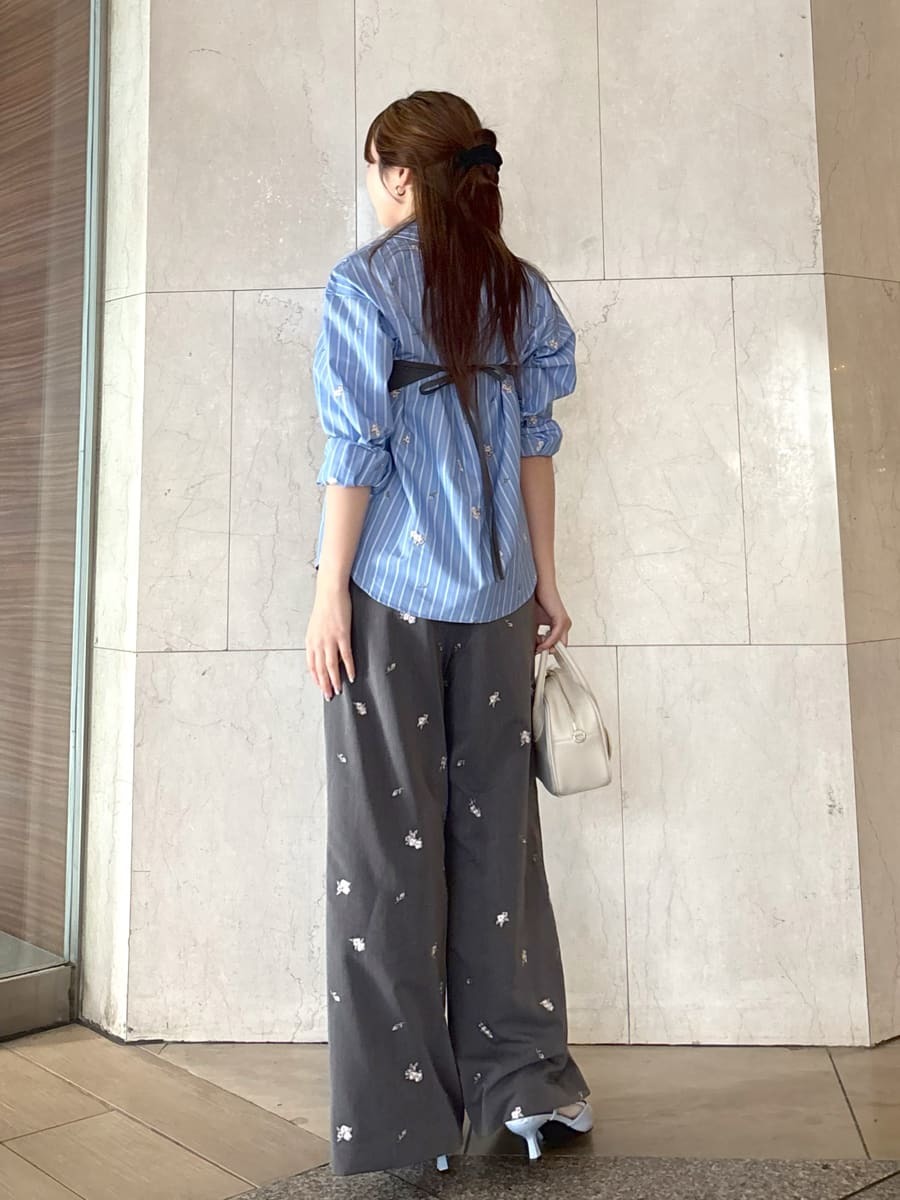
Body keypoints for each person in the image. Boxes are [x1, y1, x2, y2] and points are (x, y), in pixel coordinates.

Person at [305, 89, 592, 1178]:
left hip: (392, 597)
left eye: (375, 169)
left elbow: (355, 451)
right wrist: (546, 582)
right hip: (502, 598)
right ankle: (528, 1091)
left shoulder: (362, 284)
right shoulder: (521, 288)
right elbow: (536, 443)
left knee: (385, 854)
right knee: (499, 846)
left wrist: (328, 592)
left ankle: (403, 1129)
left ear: (398, 173)